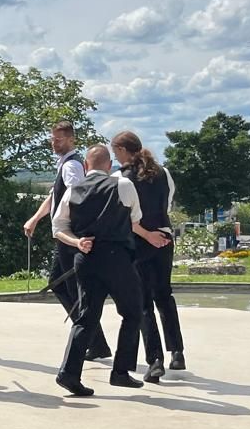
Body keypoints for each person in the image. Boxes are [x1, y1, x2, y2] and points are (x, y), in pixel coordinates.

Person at [52, 144, 169, 397]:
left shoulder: (73, 189)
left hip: (85, 257)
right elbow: (135, 218)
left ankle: (69, 373)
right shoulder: (122, 185)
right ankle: (120, 372)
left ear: (86, 165)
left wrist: (77, 242)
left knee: (87, 317)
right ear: (109, 165)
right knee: (133, 312)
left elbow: (58, 227)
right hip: (116, 258)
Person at [24, 120, 110, 361]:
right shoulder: (64, 164)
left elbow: (76, 195)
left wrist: (74, 232)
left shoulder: (71, 166)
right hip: (66, 236)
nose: (54, 143)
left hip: (70, 237)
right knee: (61, 285)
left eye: (59, 139)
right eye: (53, 139)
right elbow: (55, 196)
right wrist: (35, 218)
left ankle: (92, 340)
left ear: (72, 140)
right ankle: (94, 341)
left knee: (72, 289)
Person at [112, 131, 184, 380]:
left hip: (140, 241)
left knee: (143, 303)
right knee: (164, 295)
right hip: (164, 238)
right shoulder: (164, 172)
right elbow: (167, 205)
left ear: (122, 150)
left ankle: (155, 360)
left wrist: (146, 234)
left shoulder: (120, 179)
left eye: (115, 151)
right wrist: (156, 233)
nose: (115, 156)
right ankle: (177, 351)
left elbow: (126, 217)